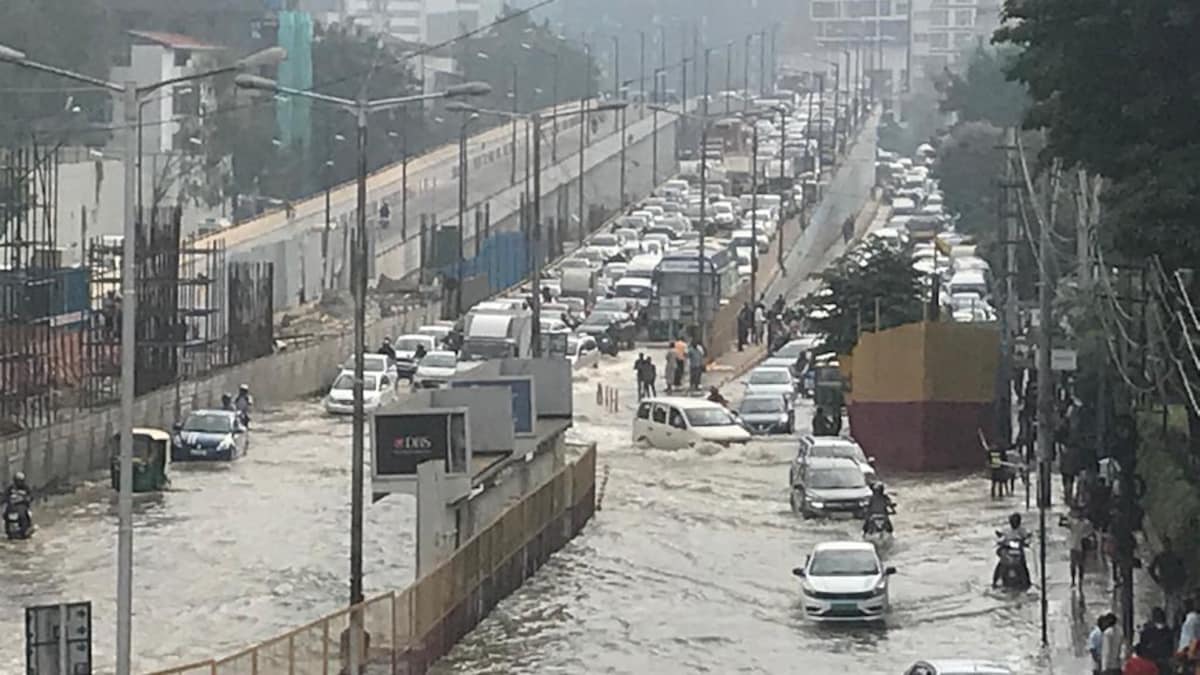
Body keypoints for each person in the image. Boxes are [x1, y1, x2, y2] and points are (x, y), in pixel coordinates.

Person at [1149, 537, 1187, 622]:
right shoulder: (1160, 557)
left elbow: (1183, 570)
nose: (1167, 546)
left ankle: (1176, 621)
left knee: (1176, 605)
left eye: (1168, 544)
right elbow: (1151, 569)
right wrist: (1158, 580)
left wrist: (1182, 582)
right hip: (1166, 584)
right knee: (1167, 604)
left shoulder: (1175, 556)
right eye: (1165, 545)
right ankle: (1167, 621)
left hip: (1175, 584)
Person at [993, 512, 1031, 588]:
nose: (1014, 523)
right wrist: (1000, 540)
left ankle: (1027, 581)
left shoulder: (1022, 530)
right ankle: (995, 580)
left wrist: (1026, 542)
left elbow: (1028, 537)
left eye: (1016, 521)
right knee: (1000, 564)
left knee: (1023, 565)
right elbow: (1000, 536)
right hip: (1008, 550)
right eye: (1013, 521)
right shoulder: (1006, 530)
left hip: (1018, 551)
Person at [1138, 607, 1174, 673]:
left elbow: (1142, 649)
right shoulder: (1170, 632)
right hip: (1165, 664)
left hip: (1150, 664)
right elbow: (1171, 649)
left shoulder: (1147, 632)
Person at [1067, 506, 1095, 588]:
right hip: (1075, 545)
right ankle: (1074, 580)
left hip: (1080, 546)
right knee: (1074, 564)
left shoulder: (1085, 523)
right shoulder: (1075, 522)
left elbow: (1090, 532)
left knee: (1080, 565)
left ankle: (1079, 580)